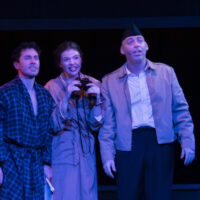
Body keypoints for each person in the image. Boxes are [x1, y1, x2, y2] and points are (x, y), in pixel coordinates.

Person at [98, 24, 195, 200]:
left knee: (160, 195)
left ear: (147, 46)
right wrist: (107, 156)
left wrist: (187, 141)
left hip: (159, 142)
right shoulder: (110, 81)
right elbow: (108, 124)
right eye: (130, 42)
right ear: (122, 49)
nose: (136, 45)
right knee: (128, 195)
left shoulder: (166, 72)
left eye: (140, 41)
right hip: (128, 145)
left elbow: (180, 110)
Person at [45, 41, 103, 200]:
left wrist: (97, 99)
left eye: (75, 58)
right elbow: (52, 125)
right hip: (62, 150)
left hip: (86, 152)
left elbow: (96, 125)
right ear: (60, 63)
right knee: (65, 194)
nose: (72, 63)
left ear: (81, 60)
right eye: (67, 59)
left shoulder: (93, 83)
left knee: (87, 194)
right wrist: (66, 98)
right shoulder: (51, 87)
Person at [0, 42, 54, 200]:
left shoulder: (44, 95)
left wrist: (47, 162)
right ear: (17, 64)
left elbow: (48, 132)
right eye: (28, 58)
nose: (33, 61)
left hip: (35, 161)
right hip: (11, 160)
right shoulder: (5, 92)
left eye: (36, 58)